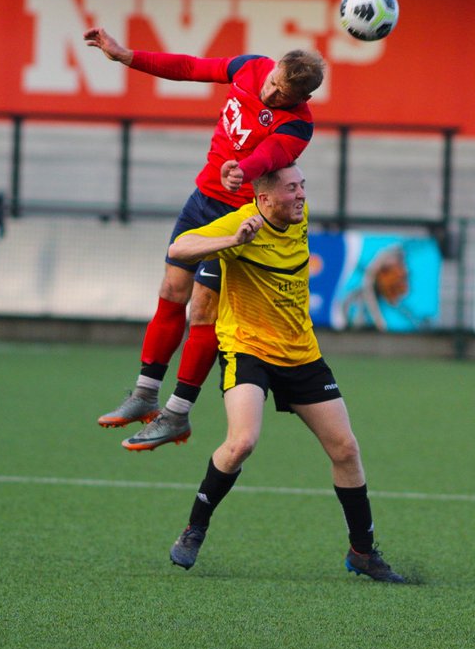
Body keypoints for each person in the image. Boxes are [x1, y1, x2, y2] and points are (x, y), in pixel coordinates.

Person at [83, 26, 326, 452]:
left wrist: (242, 171)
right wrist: (126, 56)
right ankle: (144, 394)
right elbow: (190, 67)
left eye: (281, 95)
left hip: (237, 221)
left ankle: (177, 413)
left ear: (301, 98)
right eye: (272, 83)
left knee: (203, 311)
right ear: (272, 68)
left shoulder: (299, 125)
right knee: (170, 292)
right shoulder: (251, 67)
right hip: (201, 200)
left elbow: (268, 157)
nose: (270, 94)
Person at [163, 163, 405, 583]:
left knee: (346, 449)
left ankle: (363, 552)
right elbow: (179, 248)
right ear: (264, 199)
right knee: (242, 443)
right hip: (248, 349)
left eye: (302, 186)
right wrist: (230, 242)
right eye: (292, 188)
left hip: (300, 352)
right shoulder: (242, 224)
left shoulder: (298, 214)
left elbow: (282, 145)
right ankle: (194, 529)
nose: (301, 195)